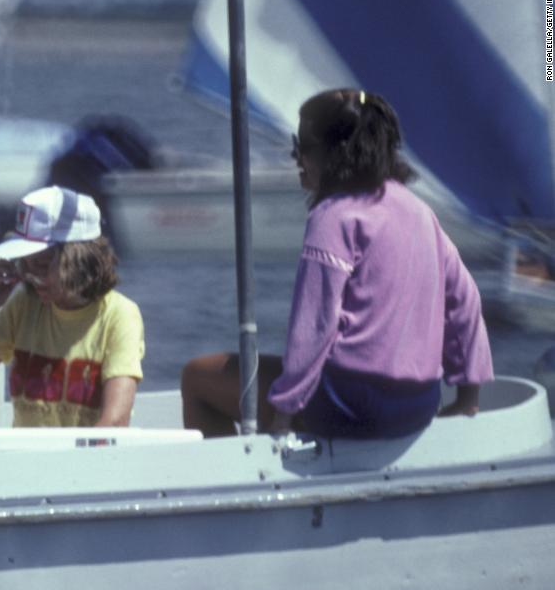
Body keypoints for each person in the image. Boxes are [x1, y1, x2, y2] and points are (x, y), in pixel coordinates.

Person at [180, 88, 493, 439]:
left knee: (196, 376)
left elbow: (315, 326)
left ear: (337, 154)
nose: (296, 158)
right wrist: (468, 396)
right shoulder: (420, 211)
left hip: (352, 404)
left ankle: (238, 485)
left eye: (304, 148)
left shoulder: (332, 217)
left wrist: (284, 412)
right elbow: (465, 300)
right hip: (418, 404)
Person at [0, 185, 144, 427]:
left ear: (79, 260)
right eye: (25, 265)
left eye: (42, 266)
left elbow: (115, 421)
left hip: (84, 461)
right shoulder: (24, 305)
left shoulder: (119, 315)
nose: (31, 277)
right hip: (27, 461)